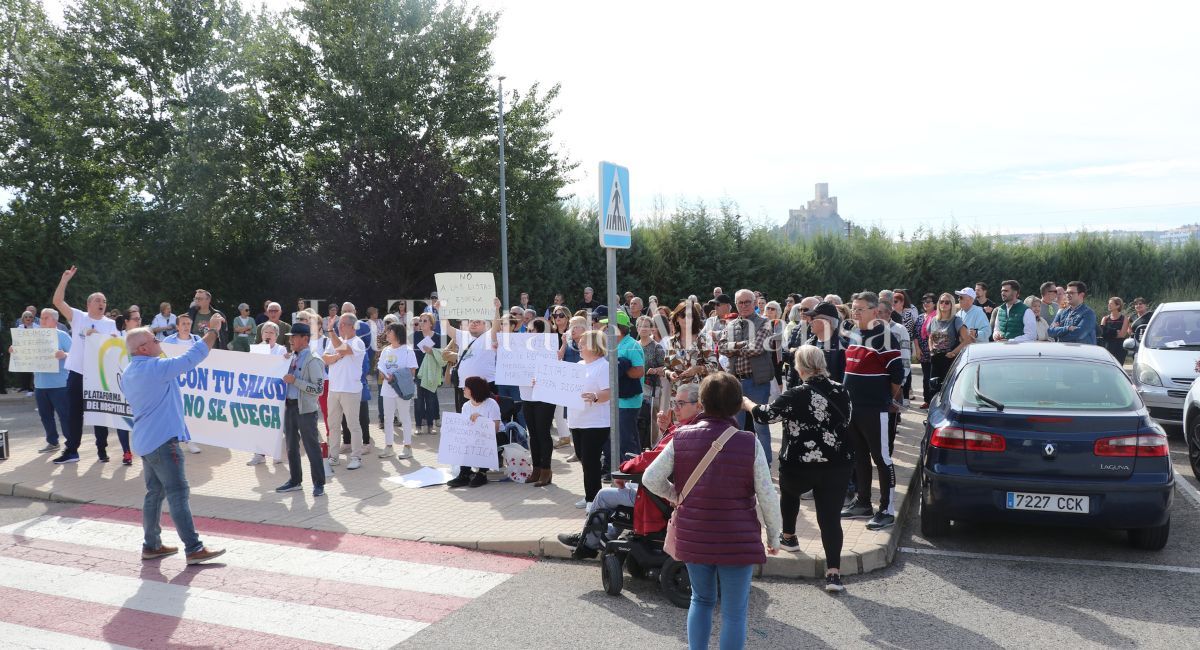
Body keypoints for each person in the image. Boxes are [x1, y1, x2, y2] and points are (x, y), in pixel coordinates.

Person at [642, 372, 782, 650]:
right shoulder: (748, 441)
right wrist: (774, 536)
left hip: (695, 534)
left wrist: (677, 496)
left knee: (701, 599)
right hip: (737, 538)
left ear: (702, 403)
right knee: (734, 611)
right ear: (736, 405)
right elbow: (767, 494)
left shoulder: (680, 437)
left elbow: (649, 478)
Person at [744, 345, 853, 592]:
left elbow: (766, 416)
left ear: (800, 367)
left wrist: (747, 404)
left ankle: (790, 537)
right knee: (830, 518)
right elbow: (847, 419)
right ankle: (833, 574)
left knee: (790, 495)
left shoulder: (795, 394)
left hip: (798, 464)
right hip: (837, 464)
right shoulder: (841, 390)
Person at [556, 382, 702, 558]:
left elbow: (653, 459)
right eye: (675, 403)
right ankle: (604, 536)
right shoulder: (698, 428)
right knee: (621, 496)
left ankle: (589, 543)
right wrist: (667, 429)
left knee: (604, 495)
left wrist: (624, 470)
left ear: (699, 405)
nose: (676, 408)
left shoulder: (684, 432)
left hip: (661, 496)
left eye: (681, 404)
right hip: (674, 493)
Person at [122, 324, 226, 565]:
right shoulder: (156, 368)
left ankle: (152, 545)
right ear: (143, 348)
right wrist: (213, 331)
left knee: (154, 494)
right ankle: (193, 548)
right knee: (178, 493)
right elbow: (193, 357)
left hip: (146, 441)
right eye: (154, 340)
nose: (159, 342)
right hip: (163, 441)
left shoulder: (129, 371)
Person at [841, 291, 904, 531]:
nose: (855, 312)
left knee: (882, 459)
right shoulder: (854, 333)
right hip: (852, 408)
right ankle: (863, 502)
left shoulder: (885, 337)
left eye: (860, 309)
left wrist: (884, 397)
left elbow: (897, 376)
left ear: (875, 311)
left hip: (876, 409)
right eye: (853, 308)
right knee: (859, 456)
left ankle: (886, 510)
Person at [50, 266, 119, 464]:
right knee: (74, 413)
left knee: (100, 413)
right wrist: (65, 280)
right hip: (78, 372)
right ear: (88, 304)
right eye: (98, 300)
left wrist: (113, 339)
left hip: (99, 375)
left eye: (104, 301)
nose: (102, 303)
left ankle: (102, 450)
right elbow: (57, 302)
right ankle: (72, 450)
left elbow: (115, 349)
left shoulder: (110, 324)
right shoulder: (79, 317)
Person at [720, 289, 776, 465]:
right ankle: (739, 464)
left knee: (761, 425)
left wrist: (733, 347)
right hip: (735, 382)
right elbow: (721, 347)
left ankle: (765, 464)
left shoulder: (764, 322)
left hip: (757, 381)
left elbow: (756, 348)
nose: (744, 306)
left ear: (754, 303)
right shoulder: (730, 325)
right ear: (736, 305)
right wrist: (742, 344)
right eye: (740, 303)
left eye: (747, 302)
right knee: (735, 427)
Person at [274, 323, 327, 497]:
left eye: (294, 337)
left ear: (305, 339)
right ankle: (295, 480)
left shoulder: (314, 360)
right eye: (290, 337)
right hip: (290, 406)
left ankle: (319, 483)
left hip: (305, 410)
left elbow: (318, 389)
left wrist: (295, 381)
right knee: (290, 447)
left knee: (311, 447)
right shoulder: (292, 358)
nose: (290, 340)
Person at [566, 330, 612, 507]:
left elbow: (609, 392)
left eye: (583, 343)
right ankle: (589, 496)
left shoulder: (603, 366)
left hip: (595, 422)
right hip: (577, 420)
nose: (579, 345)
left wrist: (595, 396)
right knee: (582, 458)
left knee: (590, 461)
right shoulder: (578, 365)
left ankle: (594, 499)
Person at [21, 309, 72, 454]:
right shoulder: (34, 336)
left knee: (65, 416)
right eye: (41, 318)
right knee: (45, 416)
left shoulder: (62, 335)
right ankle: (52, 442)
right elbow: (25, 353)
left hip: (60, 385)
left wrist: (65, 354)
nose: (41, 320)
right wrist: (16, 350)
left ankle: (70, 444)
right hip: (40, 385)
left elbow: (76, 355)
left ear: (55, 321)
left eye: (45, 318)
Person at [323, 312, 368, 470]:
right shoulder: (335, 340)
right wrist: (336, 356)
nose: (339, 327)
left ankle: (356, 457)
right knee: (333, 425)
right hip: (334, 390)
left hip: (351, 390)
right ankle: (333, 457)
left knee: (353, 425)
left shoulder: (358, 343)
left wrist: (331, 333)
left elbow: (344, 350)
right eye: (338, 324)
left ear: (352, 326)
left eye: (342, 324)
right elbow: (325, 358)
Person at [446, 376, 502, 488]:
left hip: (496, 436)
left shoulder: (491, 404)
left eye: (466, 387)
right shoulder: (466, 406)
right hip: (474, 436)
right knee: (464, 441)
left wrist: (481, 419)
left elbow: (495, 428)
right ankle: (465, 473)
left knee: (482, 441)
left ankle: (482, 473)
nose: (463, 389)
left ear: (474, 389)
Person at [605, 310, 645, 461]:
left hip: (629, 401)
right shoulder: (618, 344)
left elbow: (639, 371)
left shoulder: (632, 345)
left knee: (627, 439)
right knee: (624, 437)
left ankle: (632, 472)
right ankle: (628, 469)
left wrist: (621, 368)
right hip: (619, 399)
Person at [377, 322, 418, 459]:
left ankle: (408, 447)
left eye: (389, 331)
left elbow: (412, 371)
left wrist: (396, 377)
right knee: (387, 418)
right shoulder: (385, 350)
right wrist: (384, 375)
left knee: (404, 417)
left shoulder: (408, 350)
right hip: (387, 389)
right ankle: (389, 447)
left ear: (397, 334)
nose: (387, 334)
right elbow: (381, 367)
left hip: (402, 390)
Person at [925, 293, 969, 404]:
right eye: (941, 301)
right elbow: (930, 337)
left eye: (947, 302)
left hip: (948, 359)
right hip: (935, 358)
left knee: (947, 389)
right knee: (933, 388)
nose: (944, 304)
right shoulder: (933, 320)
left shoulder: (956, 320)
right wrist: (931, 349)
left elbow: (967, 340)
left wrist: (953, 353)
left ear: (952, 305)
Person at [637, 315, 668, 450]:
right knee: (638, 420)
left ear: (652, 329)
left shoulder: (657, 347)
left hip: (652, 390)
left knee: (652, 421)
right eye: (641, 326)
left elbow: (666, 368)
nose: (643, 329)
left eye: (646, 326)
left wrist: (655, 370)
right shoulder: (634, 346)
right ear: (637, 328)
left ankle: (654, 448)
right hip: (636, 389)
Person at [413, 313, 444, 435]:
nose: (421, 323)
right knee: (418, 401)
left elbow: (443, 355)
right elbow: (409, 353)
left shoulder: (437, 337)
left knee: (431, 400)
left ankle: (431, 426)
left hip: (432, 373)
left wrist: (432, 351)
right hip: (417, 373)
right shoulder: (415, 336)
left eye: (424, 321)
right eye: (420, 321)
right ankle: (419, 425)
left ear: (431, 323)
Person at [914, 293, 938, 408]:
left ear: (934, 303)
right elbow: (915, 335)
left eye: (928, 301)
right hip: (923, 351)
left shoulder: (938, 316)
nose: (925, 304)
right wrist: (917, 349)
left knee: (934, 377)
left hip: (935, 352)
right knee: (926, 377)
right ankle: (927, 400)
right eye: (924, 302)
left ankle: (935, 401)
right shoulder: (919, 317)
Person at [1099, 297, 1132, 365]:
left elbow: (1122, 335)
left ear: (1118, 306)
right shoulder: (1105, 319)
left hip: (1119, 348)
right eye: (1108, 303)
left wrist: (1108, 332)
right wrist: (1115, 332)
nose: (1108, 305)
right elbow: (1102, 333)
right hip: (1107, 347)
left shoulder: (1124, 318)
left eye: (1111, 304)